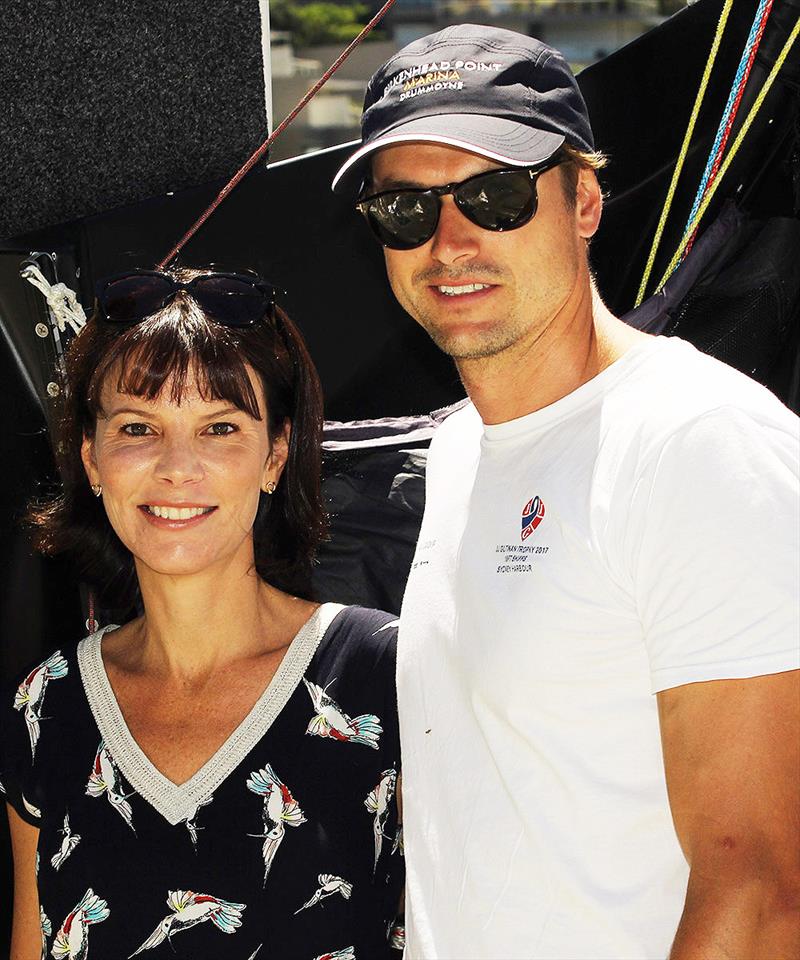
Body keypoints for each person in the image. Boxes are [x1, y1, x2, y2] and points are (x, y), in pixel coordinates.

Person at [332, 24, 800, 960]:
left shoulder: (698, 442)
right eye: (405, 212)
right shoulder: (463, 450)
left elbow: (760, 889)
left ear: (585, 201)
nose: (449, 241)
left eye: (495, 196)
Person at [1, 268, 403, 960]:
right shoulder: (46, 704)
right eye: (138, 427)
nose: (176, 467)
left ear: (275, 454)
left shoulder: (386, 672)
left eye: (218, 427)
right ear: (92, 460)